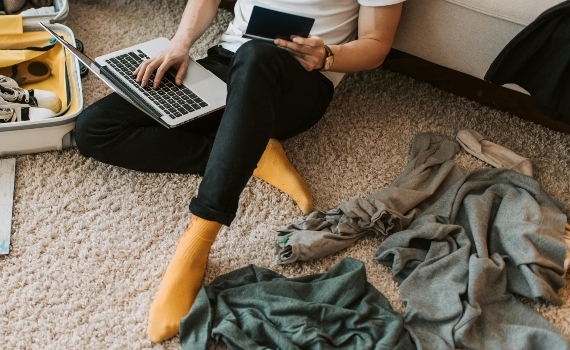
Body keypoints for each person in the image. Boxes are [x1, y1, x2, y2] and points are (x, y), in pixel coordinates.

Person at [75, 0, 404, 342]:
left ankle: (198, 239)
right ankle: (253, 152)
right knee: (94, 130)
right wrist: (179, 43)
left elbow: (376, 44)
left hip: (300, 82)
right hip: (227, 63)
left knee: (257, 55)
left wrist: (328, 56)